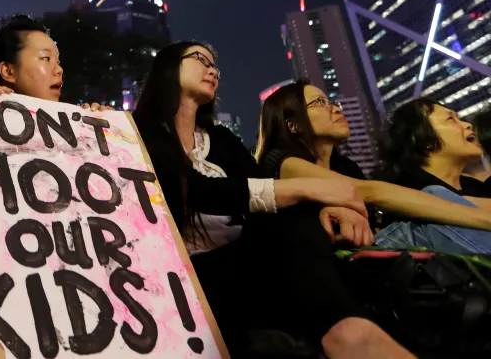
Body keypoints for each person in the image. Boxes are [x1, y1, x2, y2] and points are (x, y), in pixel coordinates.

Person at [131, 41, 414, 359]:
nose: (212, 70)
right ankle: (347, 332)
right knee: (292, 206)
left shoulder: (221, 139)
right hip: (186, 274)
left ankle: (350, 329)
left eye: (215, 65)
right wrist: (310, 189)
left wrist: (333, 206)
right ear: (169, 68)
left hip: (248, 259)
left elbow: (264, 188)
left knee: (294, 215)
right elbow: (198, 191)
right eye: (200, 60)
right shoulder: (138, 133)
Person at [257, 82, 491, 254]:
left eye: (332, 101)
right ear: (293, 124)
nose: (336, 108)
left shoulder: (345, 166)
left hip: (365, 251)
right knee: (432, 198)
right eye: (320, 103)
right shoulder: (282, 162)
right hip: (322, 268)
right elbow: (368, 192)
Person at [372, 98, 491, 253]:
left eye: (459, 118)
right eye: (451, 119)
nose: (467, 124)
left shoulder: (475, 187)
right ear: (425, 140)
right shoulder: (405, 194)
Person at [0, 14, 109, 110]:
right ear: (8, 71)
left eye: (58, 61)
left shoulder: (78, 122)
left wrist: (107, 125)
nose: (59, 70)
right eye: (45, 58)